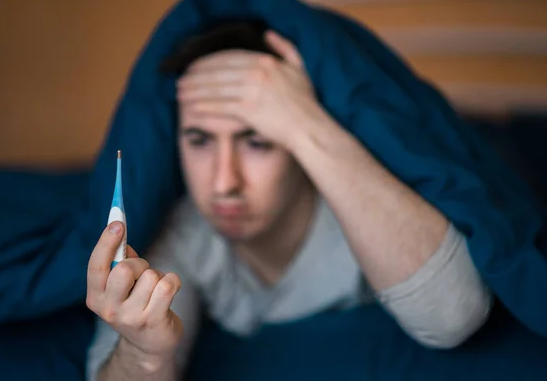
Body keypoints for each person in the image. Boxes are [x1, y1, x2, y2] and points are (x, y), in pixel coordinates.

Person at [84, 21, 492, 380]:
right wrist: (143, 353)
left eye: (257, 141)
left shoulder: (358, 203)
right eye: (200, 140)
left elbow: (455, 317)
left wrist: (303, 119)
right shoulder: (184, 233)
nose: (224, 183)